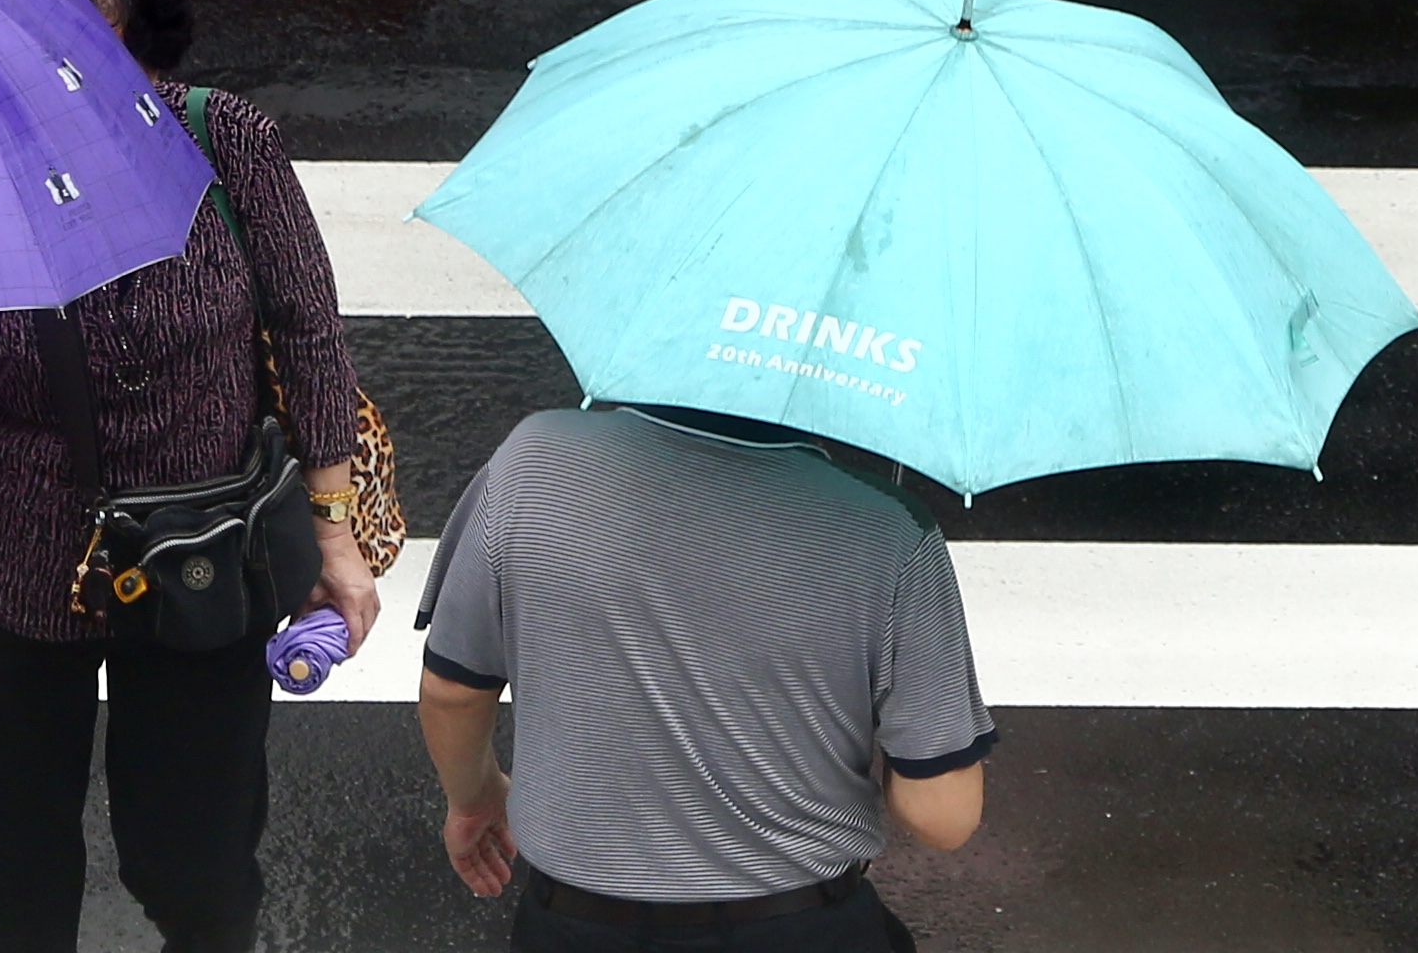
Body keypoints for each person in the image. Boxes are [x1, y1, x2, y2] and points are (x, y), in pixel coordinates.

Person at [0, 0, 379, 953]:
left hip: (206, 562)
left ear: (142, 46)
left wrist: (336, 534)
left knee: (197, 870)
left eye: (99, 49)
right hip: (14, 575)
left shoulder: (229, 145)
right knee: (16, 886)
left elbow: (309, 332)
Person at [415, 403, 991, 953]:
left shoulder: (532, 461)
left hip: (576, 922)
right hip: (802, 925)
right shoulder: (889, 528)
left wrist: (476, 800)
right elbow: (943, 814)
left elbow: (454, 691)